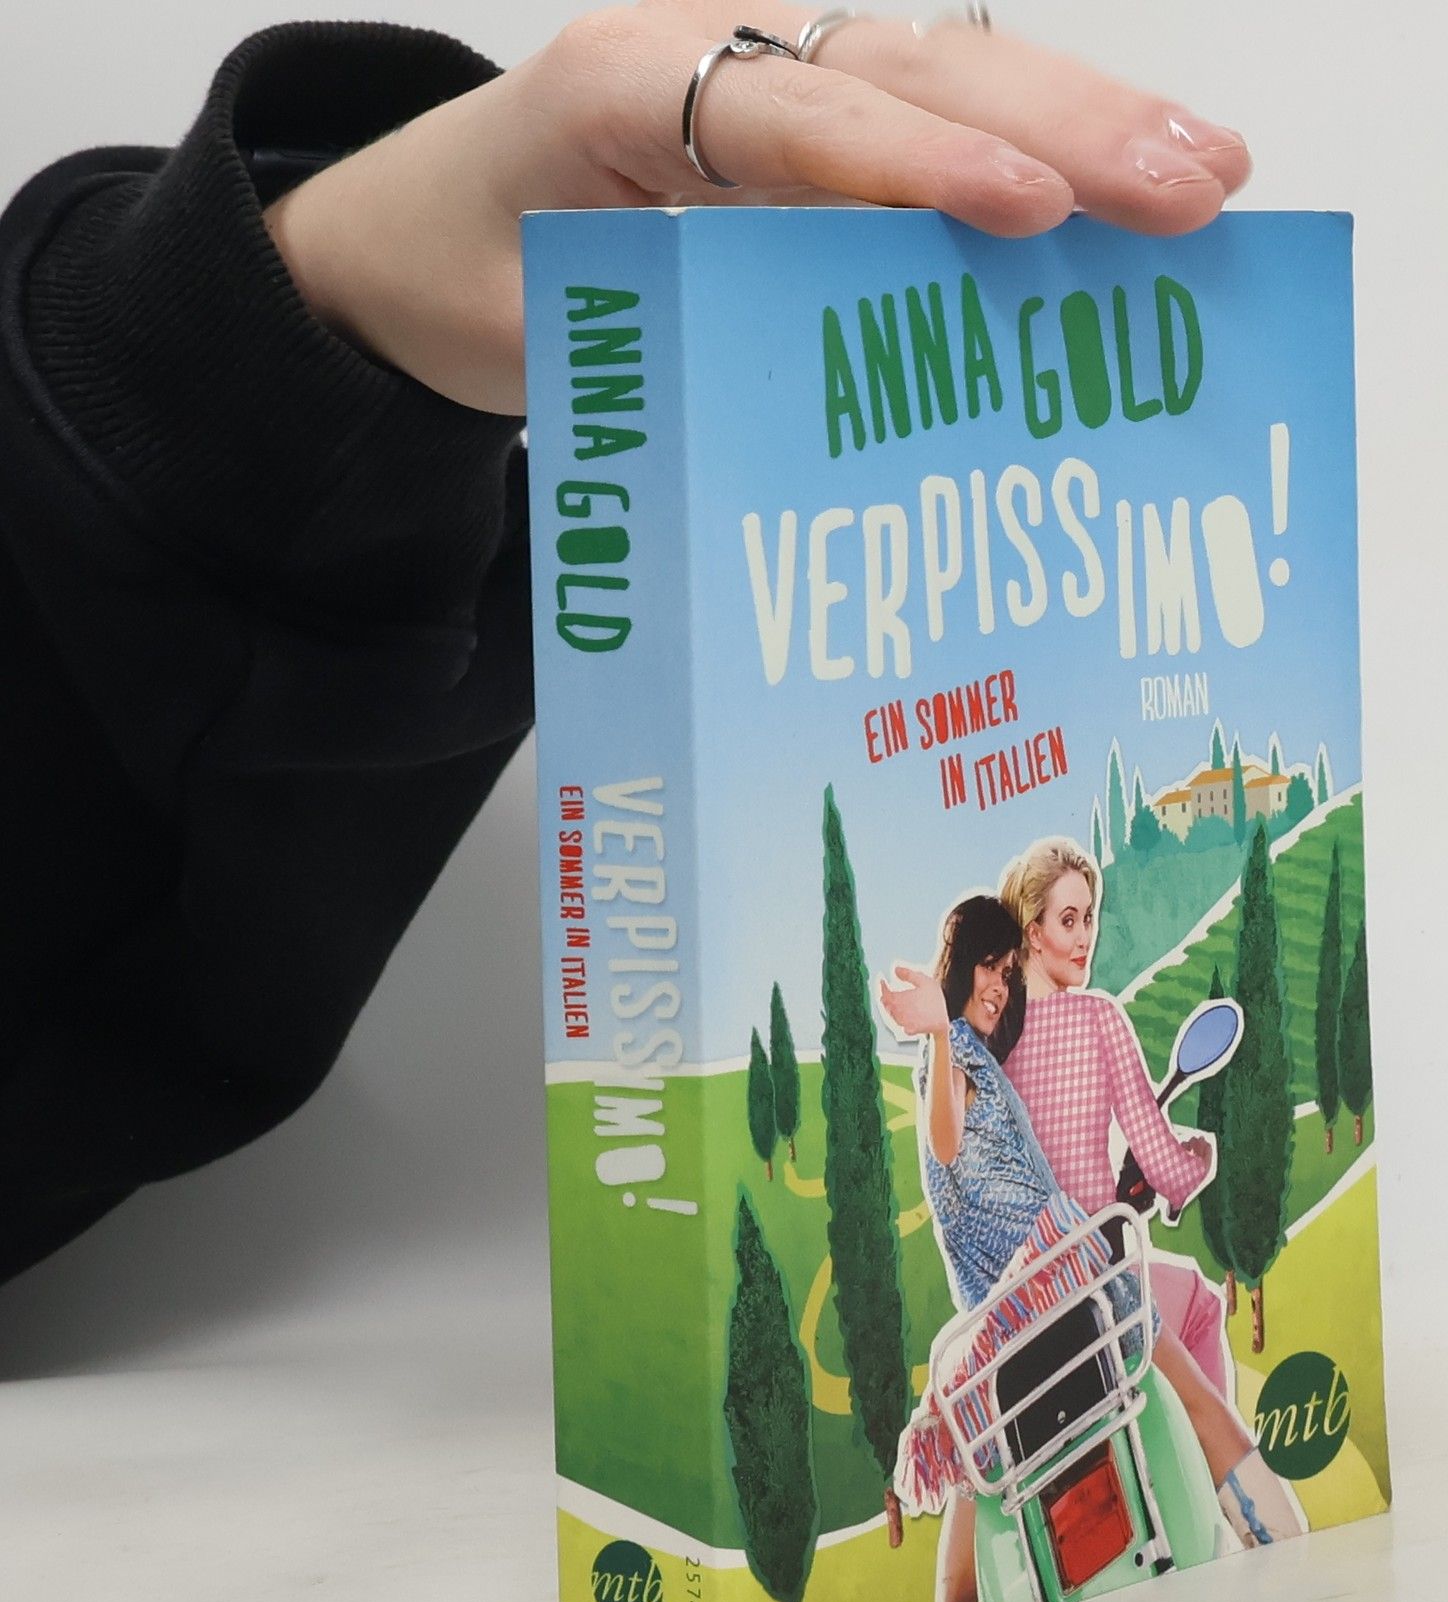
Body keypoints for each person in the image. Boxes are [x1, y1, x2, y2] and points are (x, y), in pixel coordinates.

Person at [0, 6, 1254, 1286]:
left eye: (1076, 922)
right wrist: (293, 317)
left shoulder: (1079, 1031)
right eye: (1057, 923)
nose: (1064, 945)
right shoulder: (998, 1050)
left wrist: (311, 306)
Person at [881, 893, 1299, 1602]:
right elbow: (945, 1138)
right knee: (1204, 1407)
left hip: (1000, 1333)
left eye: (1007, 970)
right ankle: (1295, 1565)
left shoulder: (977, 1054)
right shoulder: (956, 1057)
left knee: (959, 1584)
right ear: (958, 966)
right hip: (1066, 1281)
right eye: (988, 966)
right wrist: (939, 1031)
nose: (999, 985)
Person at [995, 837, 1308, 1544]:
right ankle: (1257, 1532)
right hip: (1093, 1289)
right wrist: (1197, 1161)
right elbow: (1165, 1167)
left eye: (1089, 916)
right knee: (1199, 1304)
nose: (1085, 936)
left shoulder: (992, 1042)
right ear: (1032, 932)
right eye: (1068, 920)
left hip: (1019, 1316)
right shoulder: (1098, 1018)